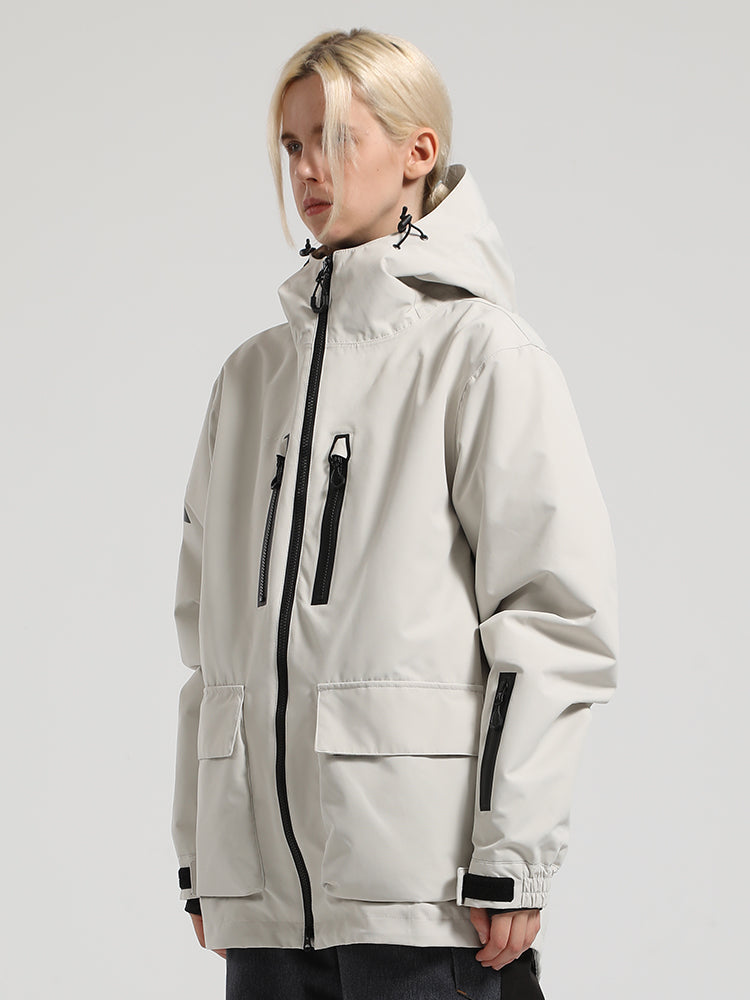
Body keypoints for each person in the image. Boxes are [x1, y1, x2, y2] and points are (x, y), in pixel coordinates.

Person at [170, 26, 619, 1000]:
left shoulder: (482, 355)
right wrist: (205, 852)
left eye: (335, 137)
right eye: (292, 144)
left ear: (419, 151)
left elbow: (552, 620)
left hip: (425, 894)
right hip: (265, 900)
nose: (306, 168)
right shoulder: (250, 380)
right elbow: (206, 642)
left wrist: (515, 855)